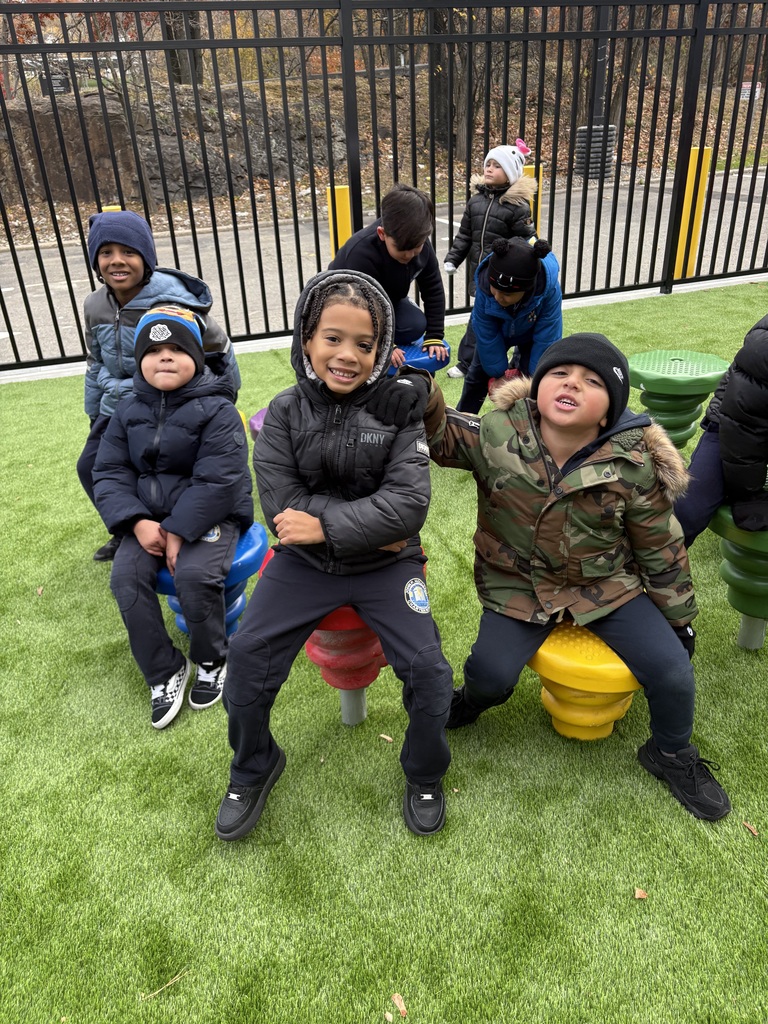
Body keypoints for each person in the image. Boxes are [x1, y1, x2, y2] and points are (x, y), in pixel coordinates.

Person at [377, 332, 731, 821]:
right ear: (538, 387)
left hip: (607, 588)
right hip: (516, 586)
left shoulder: (632, 464)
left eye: (592, 382)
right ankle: (473, 701)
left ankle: (670, 753)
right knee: (490, 675)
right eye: (560, 374)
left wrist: (679, 620)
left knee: (673, 673)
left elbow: (660, 545)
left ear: (609, 411)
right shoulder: (498, 432)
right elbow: (442, 434)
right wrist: (424, 390)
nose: (572, 384)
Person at [215, 269, 453, 842]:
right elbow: (280, 506)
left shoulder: (399, 408)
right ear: (307, 340)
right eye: (333, 338)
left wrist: (322, 524)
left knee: (430, 671)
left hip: (388, 567)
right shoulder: (284, 411)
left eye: (364, 344)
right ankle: (254, 764)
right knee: (246, 658)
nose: (347, 355)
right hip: (304, 567)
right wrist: (337, 527)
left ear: (381, 348)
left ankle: (424, 773)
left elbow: (407, 506)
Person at [92, 306, 253, 729]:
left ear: (197, 358)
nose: (165, 356)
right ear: (139, 361)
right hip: (146, 518)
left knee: (196, 577)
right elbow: (109, 471)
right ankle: (164, 670)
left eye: (177, 348)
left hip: (210, 513)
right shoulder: (127, 411)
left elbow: (219, 479)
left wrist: (180, 530)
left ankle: (212, 658)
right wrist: (136, 522)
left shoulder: (217, 409)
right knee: (125, 580)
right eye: (154, 350)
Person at [78, 209, 241, 562]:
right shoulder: (94, 305)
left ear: (147, 259)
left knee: (174, 465)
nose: (117, 261)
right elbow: (95, 361)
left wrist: (222, 400)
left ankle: (176, 524)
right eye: (106, 253)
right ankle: (129, 525)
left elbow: (219, 350)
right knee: (90, 465)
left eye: (129, 252)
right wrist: (95, 414)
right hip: (121, 407)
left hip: (177, 403)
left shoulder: (173, 304)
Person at [328, 183, 449, 371]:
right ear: (382, 234)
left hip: (387, 299)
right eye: (402, 250)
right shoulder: (361, 254)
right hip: (344, 306)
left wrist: (434, 335)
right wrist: (383, 345)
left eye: (416, 248)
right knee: (347, 335)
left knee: (415, 325)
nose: (409, 255)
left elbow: (433, 289)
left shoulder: (421, 245)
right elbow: (357, 307)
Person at [444, 140, 537, 379]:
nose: (489, 169)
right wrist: (453, 258)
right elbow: (465, 235)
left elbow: (527, 238)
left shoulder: (517, 206)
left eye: (497, 166)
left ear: (510, 174)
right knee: (479, 319)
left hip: (506, 278)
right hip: (482, 274)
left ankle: (518, 363)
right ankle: (467, 363)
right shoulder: (475, 202)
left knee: (513, 321)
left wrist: (538, 251)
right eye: (488, 164)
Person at [674, 313, 768, 546]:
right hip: (733, 426)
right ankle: (644, 574)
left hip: (749, 423)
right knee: (688, 512)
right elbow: (742, 428)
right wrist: (748, 495)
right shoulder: (764, 347)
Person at [457, 236, 562, 414]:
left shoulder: (548, 289)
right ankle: (461, 420)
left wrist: (534, 378)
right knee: (476, 376)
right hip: (497, 329)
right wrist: (498, 374)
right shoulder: (484, 285)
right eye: (494, 289)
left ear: (527, 289)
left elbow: (547, 336)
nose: (497, 297)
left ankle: (528, 423)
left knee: (533, 379)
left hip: (531, 331)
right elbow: (486, 332)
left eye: (506, 294)